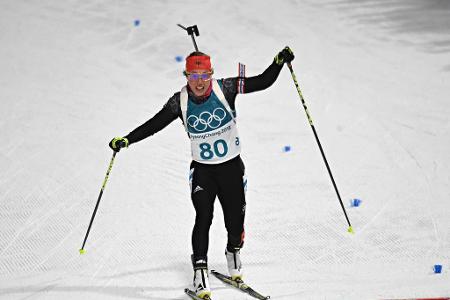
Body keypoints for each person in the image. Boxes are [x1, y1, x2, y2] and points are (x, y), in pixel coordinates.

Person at [109, 46, 294, 299]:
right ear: (186, 76)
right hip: (203, 172)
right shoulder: (179, 101)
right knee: (203, 217)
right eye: (193, 77)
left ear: (211, 74)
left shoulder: (225, 88)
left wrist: (278, 62)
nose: (199, 82)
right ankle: (200, 273)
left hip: (231, 169)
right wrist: (127, 140)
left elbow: (262, 82)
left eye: (204, 76)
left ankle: (233, 252)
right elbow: (154, 124)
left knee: (235, 222)